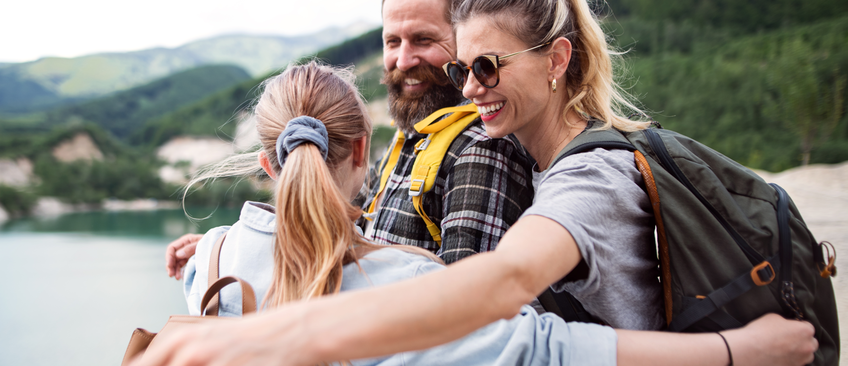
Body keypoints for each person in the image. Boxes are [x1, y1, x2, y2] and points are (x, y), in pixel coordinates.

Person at [133, 0, 820, 365]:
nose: (467, 88)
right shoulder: (506, 151)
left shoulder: (589, 179)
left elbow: (486, 303)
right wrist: (238, 242)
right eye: (464, 68)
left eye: (486, 67)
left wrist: (274, 336)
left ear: (556, 60)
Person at [165, 0, 534, 275]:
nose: (403, 60)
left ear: (465, 44)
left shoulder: (481, 149)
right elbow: (327, 216)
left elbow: (467, 316)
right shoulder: (409, 141)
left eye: (423, 40)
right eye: (392, 42)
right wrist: (237, 250)